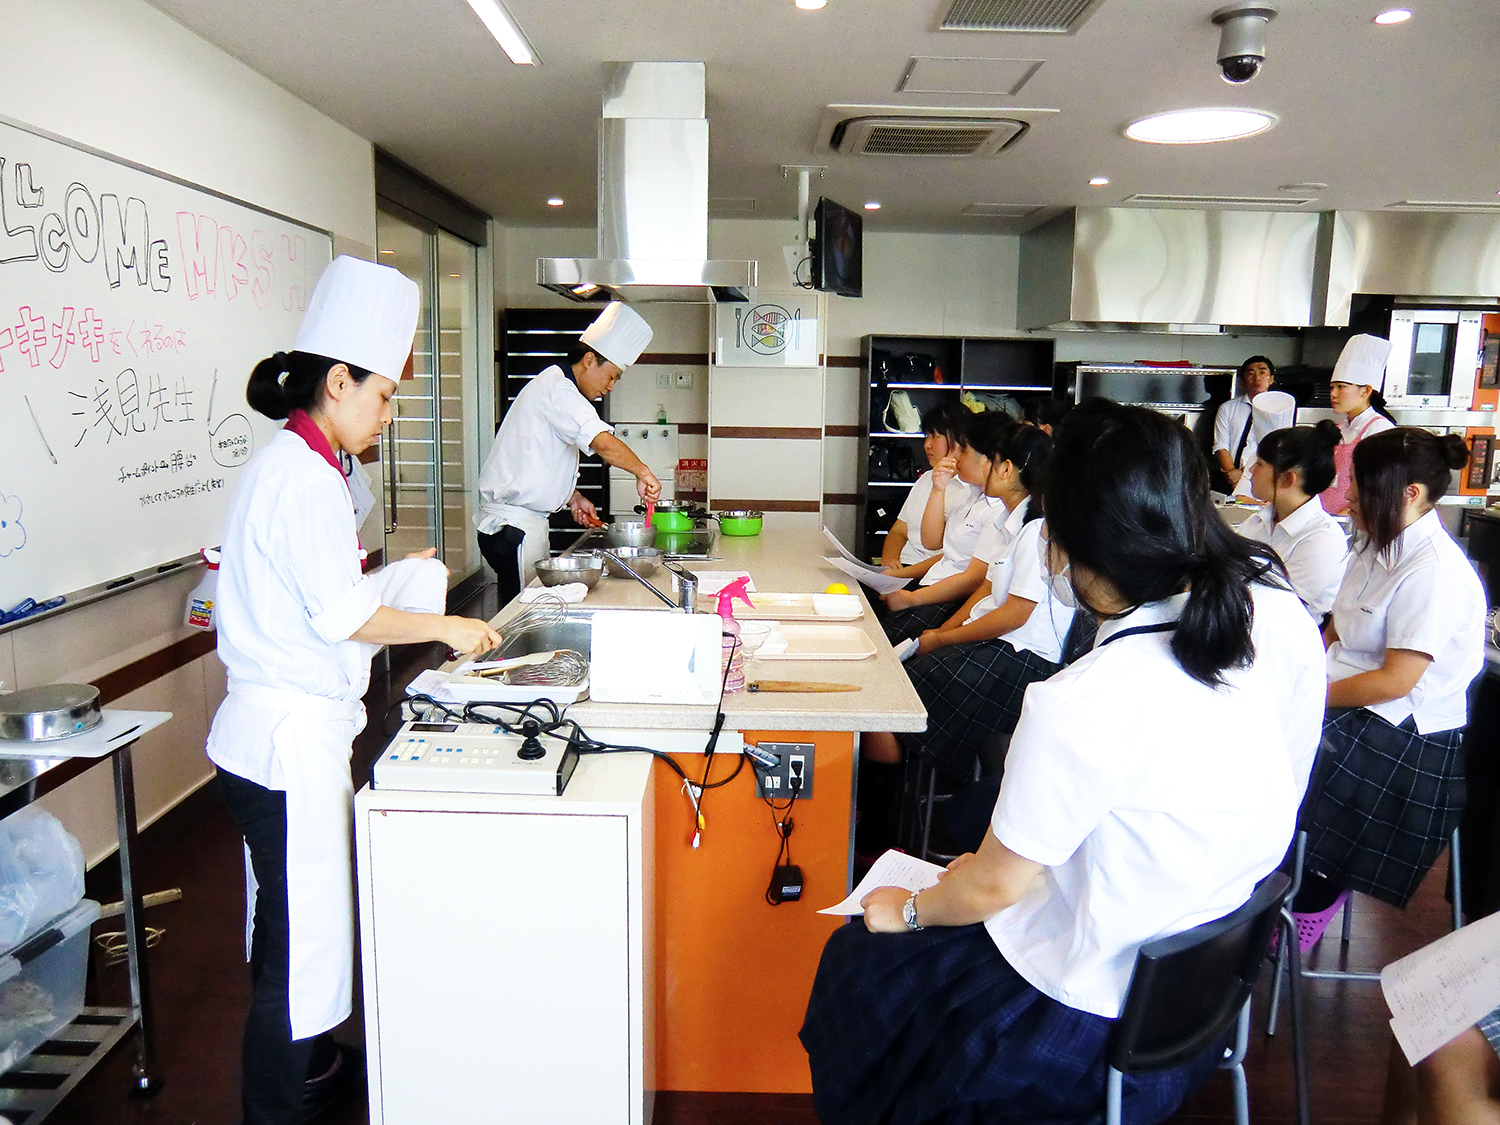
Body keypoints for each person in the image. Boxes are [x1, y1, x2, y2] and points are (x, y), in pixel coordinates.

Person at [801, 398, 1327, 1125]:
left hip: (1073, 1031)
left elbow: (990, 889)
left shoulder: (1082, 698)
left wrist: (912, 908)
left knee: (857, 962)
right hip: (1187, 1020)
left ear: (1065, 544)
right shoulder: (1248, 648)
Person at [209, 256, 503, 1125]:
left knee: (286, 936)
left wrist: (393, 573)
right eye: (381, 394)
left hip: (267, 739)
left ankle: (304, 1068)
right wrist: (444, 623)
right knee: (294, 956)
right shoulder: (303, 477)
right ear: (337, 381)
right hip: (284, 745)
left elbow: (322, 593)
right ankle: (275, 1106)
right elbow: (339, 616)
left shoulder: (305, 465)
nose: (388, 411)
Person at [1292, 427, 1484, 949]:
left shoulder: (1435, 572)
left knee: (1299, 793)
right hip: (1347, 701)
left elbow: (1395, 681)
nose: (1348, 497)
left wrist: (1302, 696)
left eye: (1360, 485)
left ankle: (1301, 903)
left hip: (1402, 735)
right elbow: (1338, 626)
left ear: (1410, 494)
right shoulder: (1375, 543)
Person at [861, 425, 1059, 783]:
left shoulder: (1034, 531)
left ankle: (883, 811)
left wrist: (943, 640)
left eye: (991, 461)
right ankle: (884, 807)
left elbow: (1015, 614)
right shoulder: (1005, 521)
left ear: (1005, 469)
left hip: (1017, 658)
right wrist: (940, 634)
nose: (982, 468)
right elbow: (984, 590)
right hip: (990, 641)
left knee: (892, 700)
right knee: (890, 685)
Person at [474, 301, 661, 601]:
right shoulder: (559, 390)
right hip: (514, 529)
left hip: (523, 525)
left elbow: (536, 456)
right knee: (521, 614)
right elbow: (602, 442)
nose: (611, 386)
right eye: (611, 375)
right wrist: (643, 472)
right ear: (589, 360)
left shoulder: (558, 388)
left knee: (531, 607)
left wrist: (572, 497)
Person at [880, 412, 1015, 644]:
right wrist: (938, 489)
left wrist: (912, 600)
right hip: (931, 585)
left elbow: (974, 579)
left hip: (948, 600)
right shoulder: (971, 494)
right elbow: (931, 543)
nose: (956, 458)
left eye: (962, 451)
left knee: (886, 642)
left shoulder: (998, 509)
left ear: (988, 459)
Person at [1238, 422, 1349, 618]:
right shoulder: (1257, 522)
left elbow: (1280, 608)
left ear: (1288, 479)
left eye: (1260, 464)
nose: (1252, 470)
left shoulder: (1322, 538)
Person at [879, 402, 972, 571]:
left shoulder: (970, 490)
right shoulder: (926, 479)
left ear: (959, 439)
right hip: (902, 567)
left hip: (931, 575)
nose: (927, 445)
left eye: (935, 437)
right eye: (926, 436)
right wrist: (889, 560)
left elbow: (953, 556)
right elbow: (899, 530)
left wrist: (903, 575)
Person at [1322, 332, 1397, 515]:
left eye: (1342, 386)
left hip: (1355, 521)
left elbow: (1381, 487)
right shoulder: (1340, 429)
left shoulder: (1380, 430)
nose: (1333, 394)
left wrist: (1347, 514)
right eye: (1332, 387)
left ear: (1366, 391)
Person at [1212, 355, 1293, 496]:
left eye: (1262, 373)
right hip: (1231, 477)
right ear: (1243, 381)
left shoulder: (1280, 410)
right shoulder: (1228, 408)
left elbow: (1282, 447)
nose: (1257, 378)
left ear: (1271, 379)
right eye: (1250, 373)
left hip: (1264, 479)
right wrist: (1233, 474)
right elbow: (1221, 445)